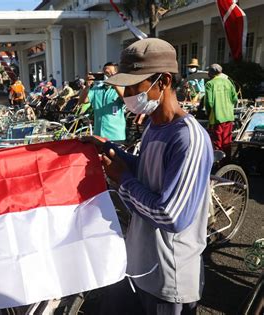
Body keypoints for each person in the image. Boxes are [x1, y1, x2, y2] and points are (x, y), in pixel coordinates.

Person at [84, 38, 213, 314]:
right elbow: (147, 171)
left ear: (163, 82)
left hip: (169, 280)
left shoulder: (188, 138)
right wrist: (111, 150)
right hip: (142, 268)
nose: (128, 92)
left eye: (134, 85)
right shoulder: (155, 127)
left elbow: (172, 216)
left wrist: (123, 180)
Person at [78, 62, 126, 142]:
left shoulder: (121, 87)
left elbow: (125, 99)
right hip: (99, 134)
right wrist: (87, 86)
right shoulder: (97, 89)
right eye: (104, 73)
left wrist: (114, 83)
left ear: (116, 74)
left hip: (116, 136)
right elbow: (82, 101)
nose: (105, 76)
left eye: (108, 73)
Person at [204, 63, 237, 159]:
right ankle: (226, 162)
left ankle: (217, 163)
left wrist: (208, 113)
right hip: (229, 117)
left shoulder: (210, 84)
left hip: (216, 118)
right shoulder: (228, 82)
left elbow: (209, 103)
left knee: (217, 141)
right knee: (227, 141)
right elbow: (235, 99)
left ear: (211, 73)